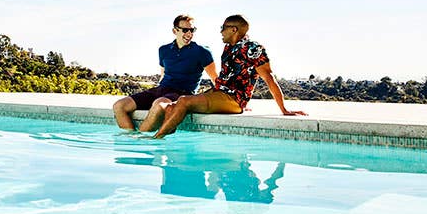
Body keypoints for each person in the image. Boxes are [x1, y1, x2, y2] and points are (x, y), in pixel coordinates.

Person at [153, 14, 306, 138]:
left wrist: (284, 109)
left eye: (223, 28)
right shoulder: (228, 47)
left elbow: (269, 79)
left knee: (184, 101)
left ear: (234, 30)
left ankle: (157, 139)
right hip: (220, 94)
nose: (221, 31)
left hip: (233, 99)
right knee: (173, 105)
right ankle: (170, 140)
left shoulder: (253, 49)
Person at [112, 15, 216, 132]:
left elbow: (215, 78)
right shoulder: (163, 50)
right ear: (175, 31)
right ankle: (130, 137)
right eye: (185, 30)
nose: (189, 34)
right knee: (119, 106)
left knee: (159, 104)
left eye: (192, 30)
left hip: (183, 93)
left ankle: (139, 139)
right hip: (162, 89)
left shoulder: (202, 52)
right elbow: (163, 74)